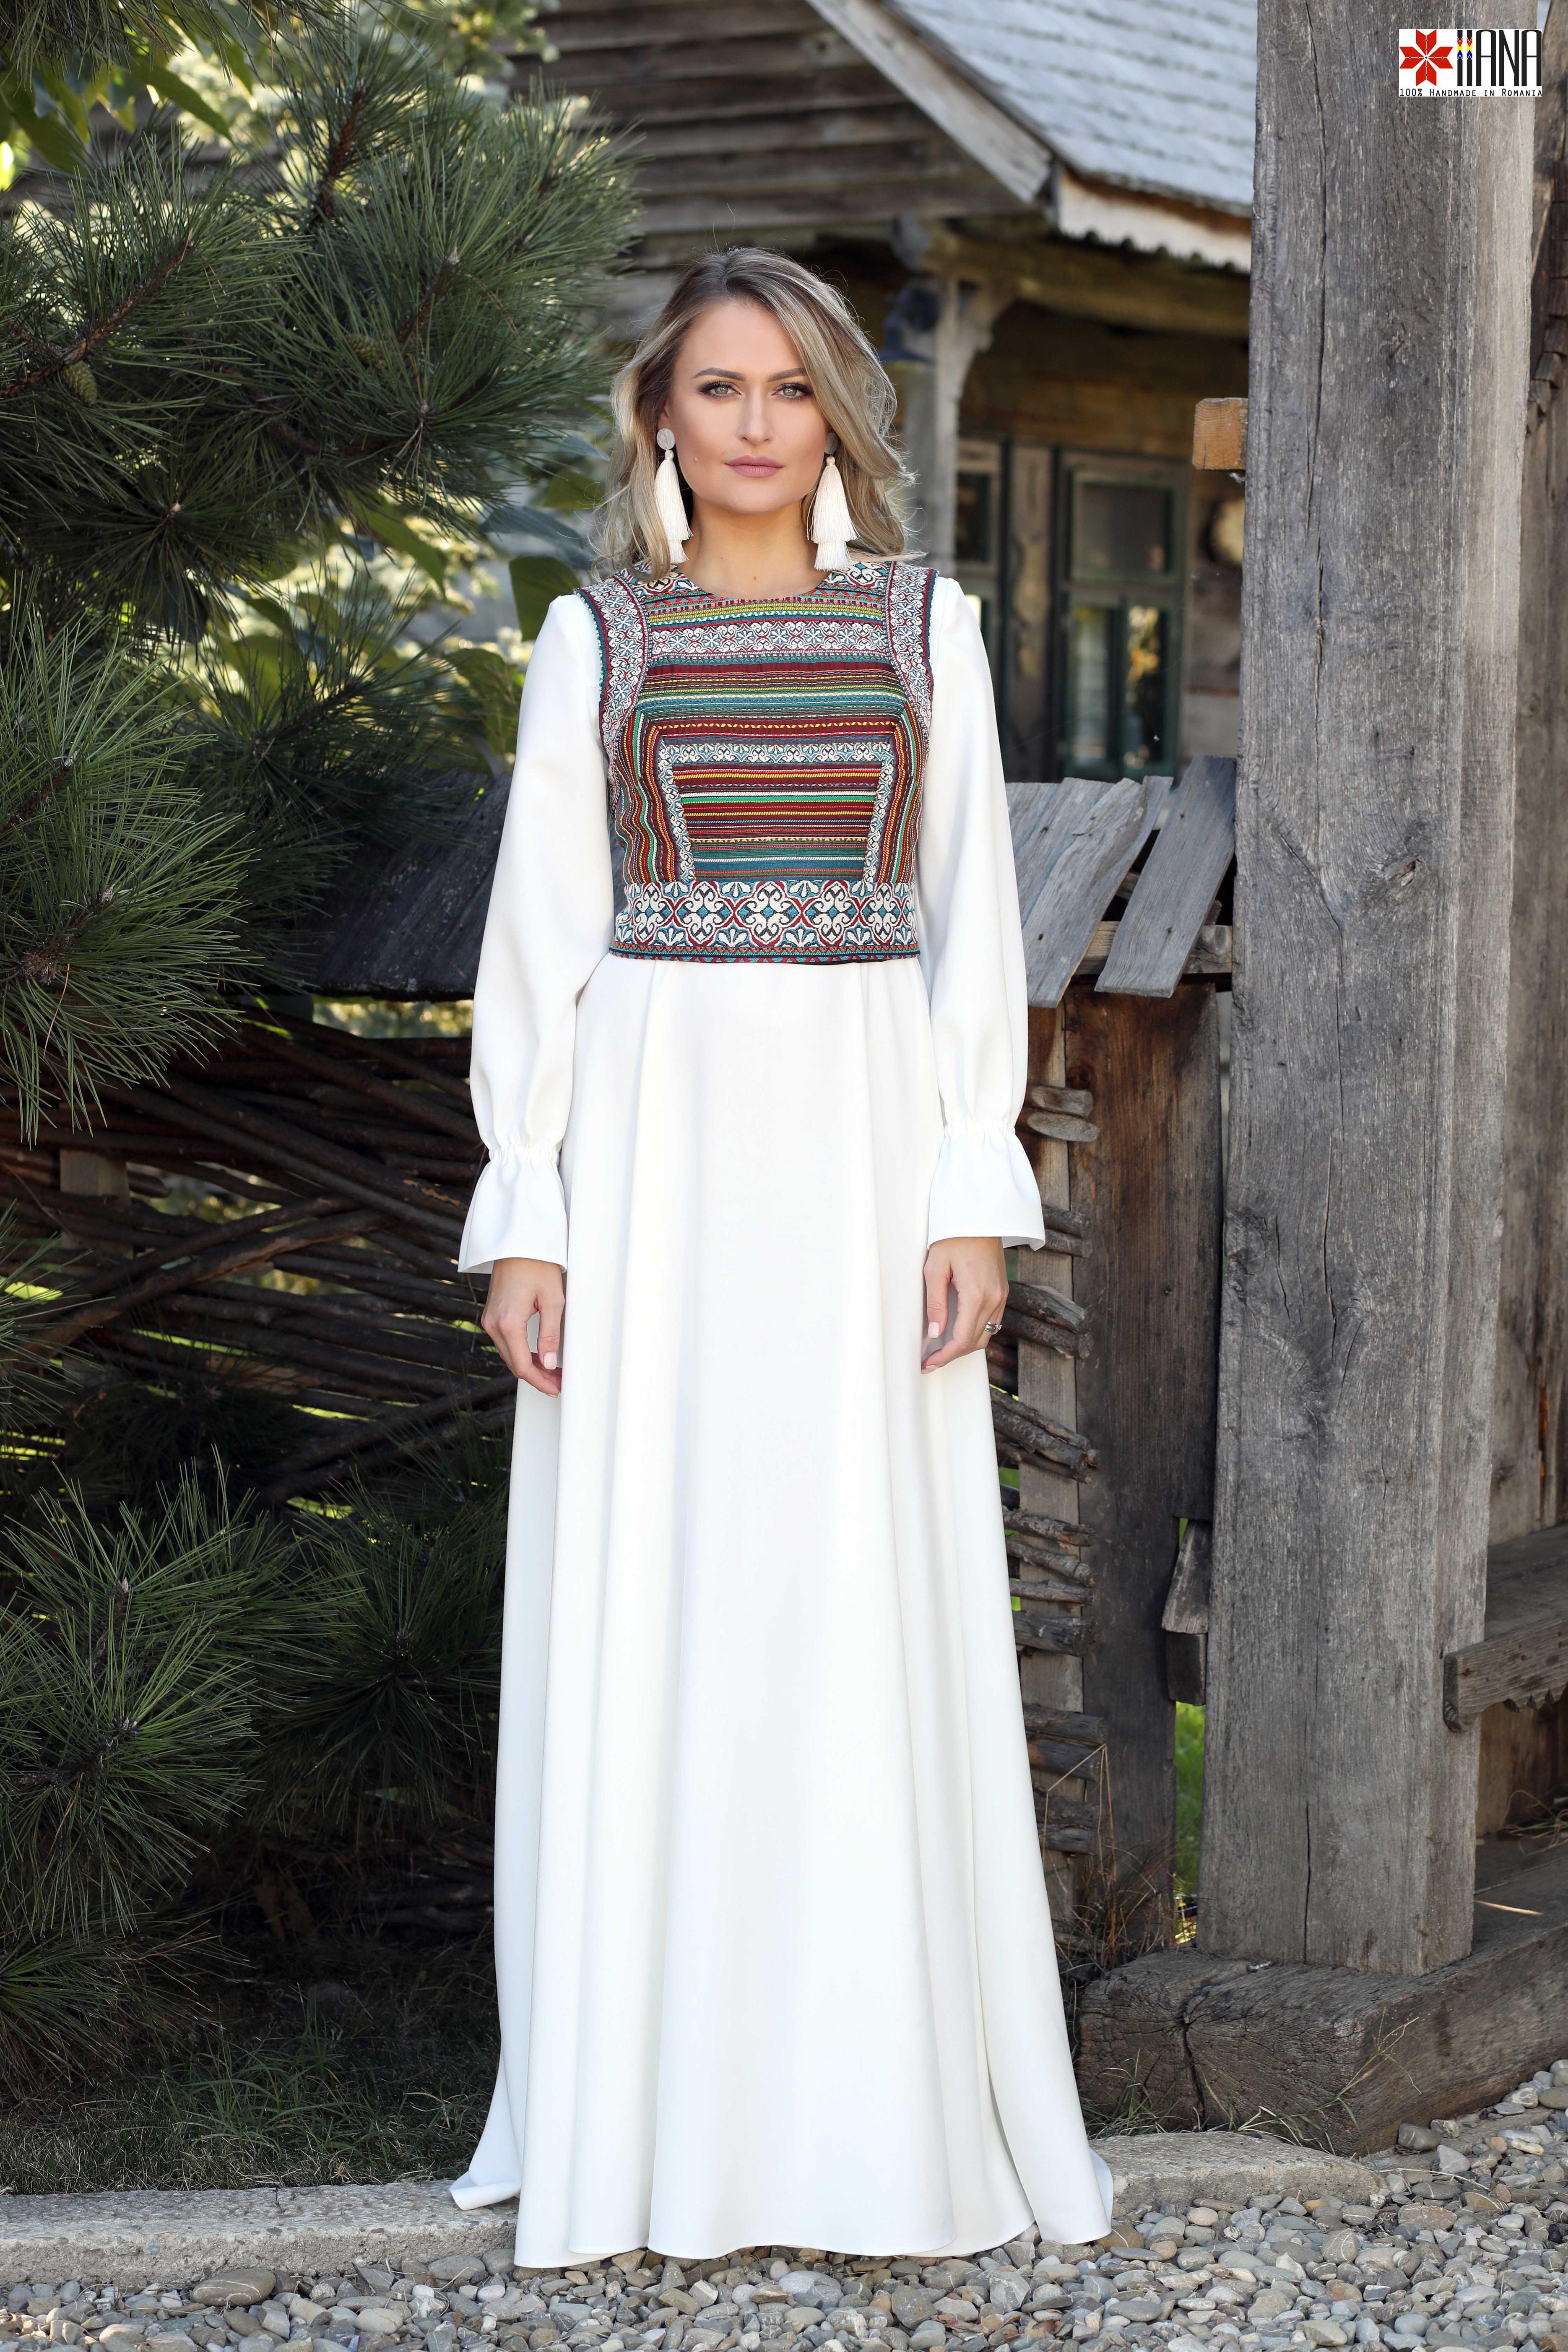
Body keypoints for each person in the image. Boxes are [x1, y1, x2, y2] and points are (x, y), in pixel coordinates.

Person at [449, 247, 1113, 2266]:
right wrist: (529, 1212)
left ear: (836, 416)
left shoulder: (928, 633)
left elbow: (971, 926)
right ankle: (645, 2124)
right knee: (661, 1593)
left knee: (855, 1596)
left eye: (791, 388)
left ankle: (870, 2119)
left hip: (860, 1161)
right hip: (650, 1168)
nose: (754, 424)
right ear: (660, 411)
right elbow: (538, 940)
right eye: (718, 387)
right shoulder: (593, 639)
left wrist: (964, 1189)